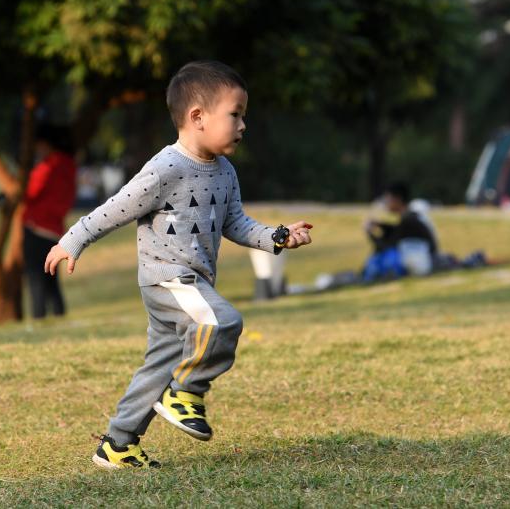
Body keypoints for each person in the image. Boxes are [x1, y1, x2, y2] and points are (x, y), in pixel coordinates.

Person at [43, 60, 314, 470]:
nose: (243, 125)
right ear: (198, 117)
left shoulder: (225, 172)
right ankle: (185, 391)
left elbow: (236, 223)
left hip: (193, 283)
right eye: (235, 114)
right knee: (222, 321)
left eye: (244, 116)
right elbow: (117, 207)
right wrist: (73, 239)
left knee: (159, 365)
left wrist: (277, 237)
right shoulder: (166, 168)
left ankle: (117, 444)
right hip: (167, 278)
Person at [21, 123, 77, 319]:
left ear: (45, 143)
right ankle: (59, 315)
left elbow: (29, 192)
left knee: (36, 279)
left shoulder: (48, 166)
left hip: (37, 227)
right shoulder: (70, 165)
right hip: (55, 229)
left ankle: (38, 317)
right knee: (52, 279)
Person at [363, 182, 438, 279]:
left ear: (397, 199)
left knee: (385, 257)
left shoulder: (408, 221)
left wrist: (370, 233)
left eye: (387, 199)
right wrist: (379, 225)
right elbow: (395, 230)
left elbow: (387, 246)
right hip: (425, 258)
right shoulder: (410, 217)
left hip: (422, 262)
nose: (386, 203)